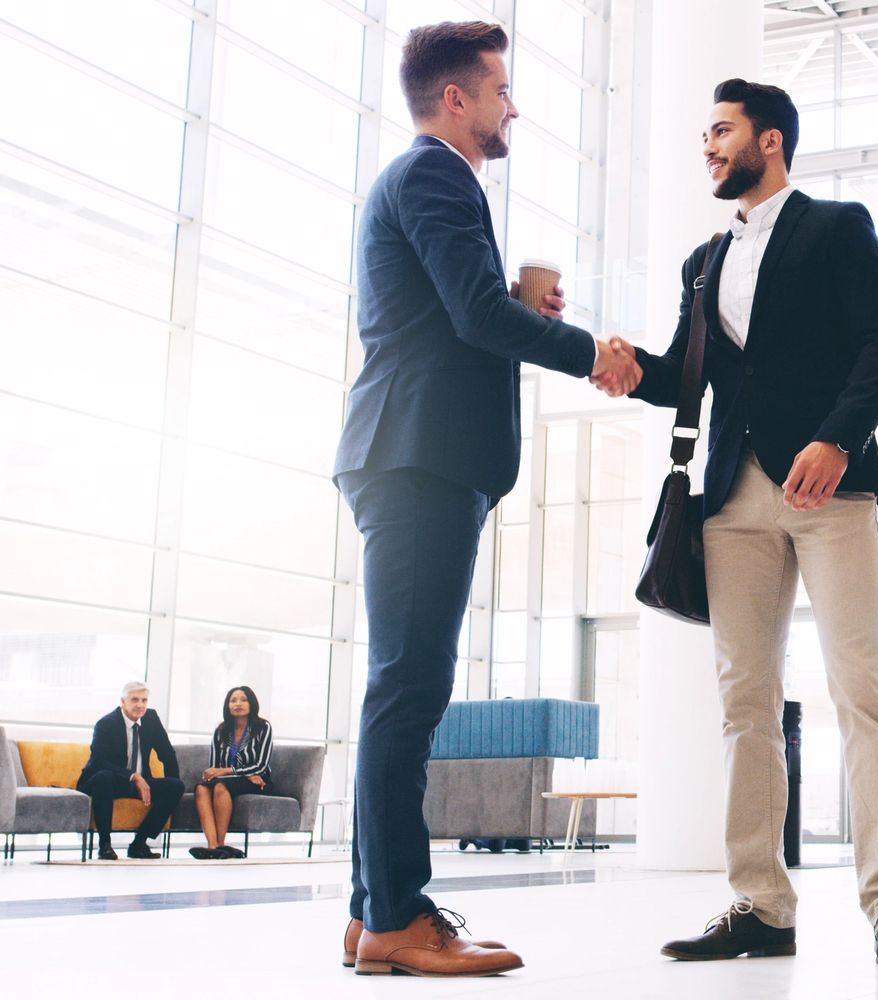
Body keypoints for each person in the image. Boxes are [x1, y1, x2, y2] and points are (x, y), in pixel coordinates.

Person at [332, 21, 631, 978]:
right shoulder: (434, 175)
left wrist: (508, 302)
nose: (513, 108)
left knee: (403, 686)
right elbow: (471, 316)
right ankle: (396, 917)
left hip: (415, 454)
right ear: (456, 99)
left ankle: (372, 912)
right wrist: (592, 353)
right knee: (409, 690)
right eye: (501, 90)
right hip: (417, 458)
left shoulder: (431, 184)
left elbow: (454, 308)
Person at [616, 79, 878, 967]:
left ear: (772, 141)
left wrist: (837, 439)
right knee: (743, 702)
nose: (708, 146)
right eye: (704, 133)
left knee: (862, 688)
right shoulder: (703, 261)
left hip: (829, 490)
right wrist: (612, 362)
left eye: (721, 131)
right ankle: (760, 902)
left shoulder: (837, 227)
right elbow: (685, 374)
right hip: (732, 503)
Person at [76, 682, 183, 861]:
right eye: (134, 700)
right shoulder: (106, 724)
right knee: (105, 777)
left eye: (144, 700)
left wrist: (169, 791)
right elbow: (99, 762)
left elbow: (167, 753)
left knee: (176, 786)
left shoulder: (151, 719)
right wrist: (133, 776)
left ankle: (139, 844)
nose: (140, 705)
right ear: (123, 701)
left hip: (139, 782)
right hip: (107, 782)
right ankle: (105, 845)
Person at [189, 686, 274, 860]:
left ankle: (220, 844)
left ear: (252, 704)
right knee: (202, 788)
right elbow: (215, 766)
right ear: (227, 706)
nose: (238, 704)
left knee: (220, 786)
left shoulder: (263, 727)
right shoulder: (221, 730)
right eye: (233, 700)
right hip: (238, 778)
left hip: (259, 781)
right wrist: (242, 774)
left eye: (243, 699)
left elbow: (261, 765)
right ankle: (213, 846)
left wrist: (232, 771)